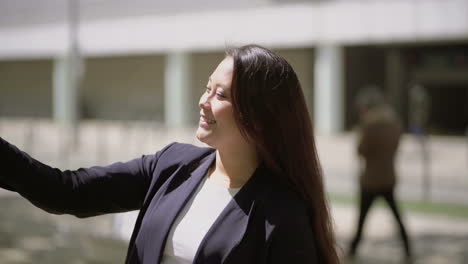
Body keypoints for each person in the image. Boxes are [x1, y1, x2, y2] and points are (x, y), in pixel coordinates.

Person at [0, 45, 339, 264]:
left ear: (258, 118)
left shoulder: (282, 214)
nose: (203, 101)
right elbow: (68, 192)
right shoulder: (173, 165)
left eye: (220, 95)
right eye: (207, 88)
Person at [348, 86, 411, 260]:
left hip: (371, 180)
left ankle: (353, 250)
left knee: (361, 219)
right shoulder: (394, 124)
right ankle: (407, 247)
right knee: (397, 216)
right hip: (388, 177)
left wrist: (360, 133)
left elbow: (361, 150)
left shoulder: (369, 126)